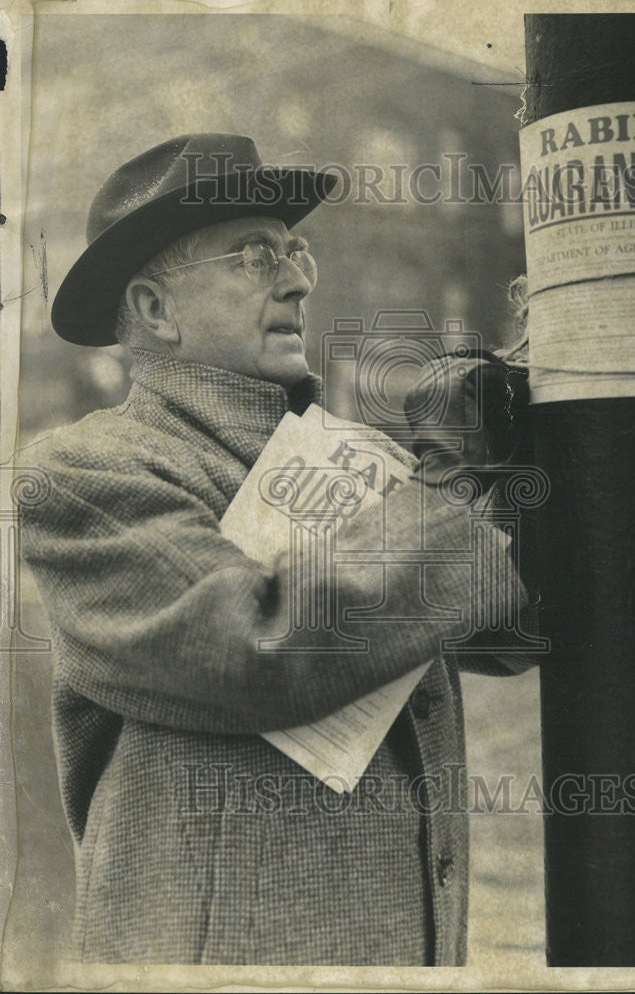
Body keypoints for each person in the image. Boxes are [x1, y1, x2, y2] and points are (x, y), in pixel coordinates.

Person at [19, 133, 539, 966]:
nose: (297, 279)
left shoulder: (347, 459)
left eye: (295, 251)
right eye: (256, 256)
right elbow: (254, 646)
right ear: (155, 310)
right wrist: (450, 483)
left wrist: (523, 453)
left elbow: (506, 637)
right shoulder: (85, 472)